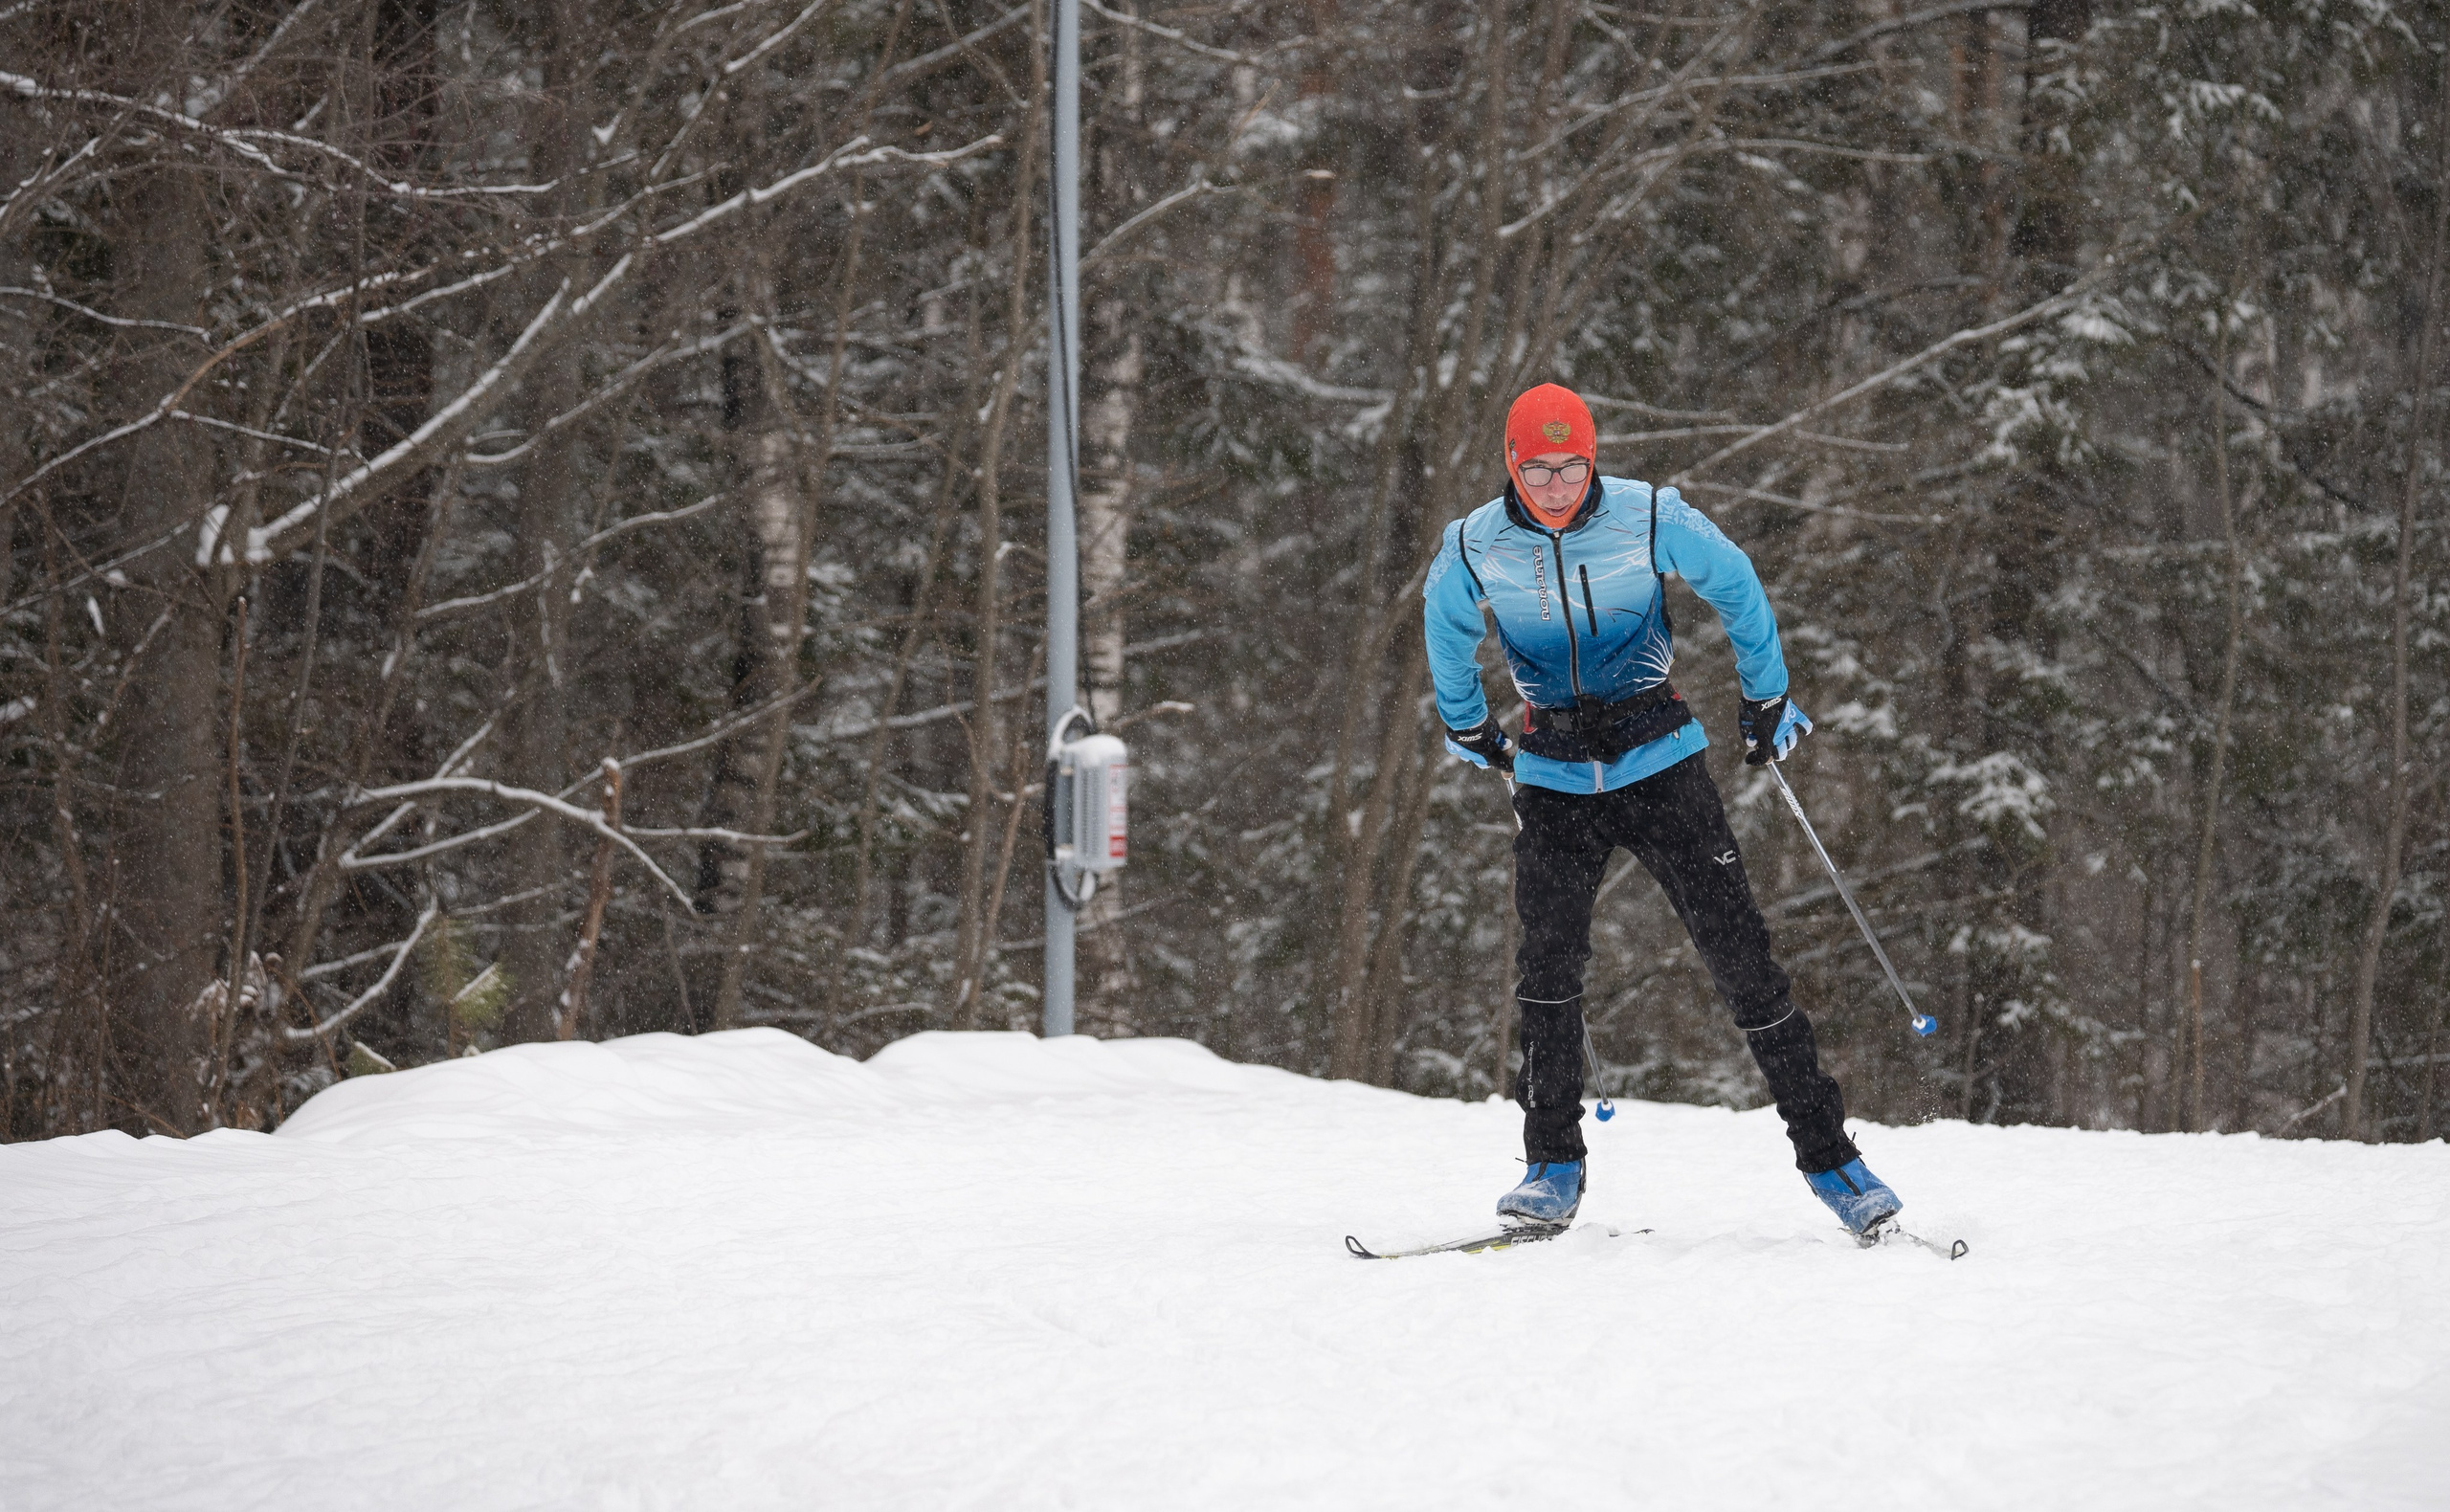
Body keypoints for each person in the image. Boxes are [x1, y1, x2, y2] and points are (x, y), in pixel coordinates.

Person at [1421, 382, 1902, 1239]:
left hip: (1661, 762)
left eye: (1573, 467)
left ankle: (1834, 1161)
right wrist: (1467, 723)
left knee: (1742, 959)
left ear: (1593, 458)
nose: (1559, 485)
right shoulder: (1474, 545)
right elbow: (1444, 621)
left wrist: (1767, 696)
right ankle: (1550, 1167)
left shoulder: (1651, 517)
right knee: (1548, 973)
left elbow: (1739, 584)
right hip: (1555, 774)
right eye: (1539, 469)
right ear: (1512, 464)